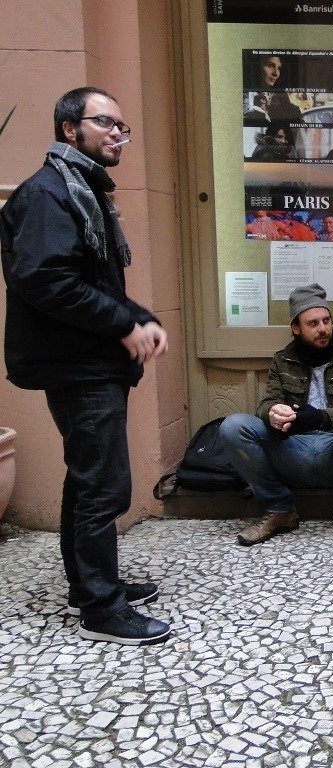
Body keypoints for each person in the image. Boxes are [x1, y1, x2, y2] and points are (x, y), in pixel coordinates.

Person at [0, 87, 170, 645]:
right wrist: (124, 324)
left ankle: (89, 586)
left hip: (87, 362)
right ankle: (102, 608)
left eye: (122, 125)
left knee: (87, 479)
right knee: (104, 488)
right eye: (104, 123)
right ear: (69, 129)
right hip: (77, 367)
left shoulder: (81, 189)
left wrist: (138, 317)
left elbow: (92, 281)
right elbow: (47, 281)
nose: (117, 133)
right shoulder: (48, 194)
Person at [220, 284, 333, 546]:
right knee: (233, 426)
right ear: (296, 328)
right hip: (292, 451)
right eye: (313, 323)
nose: (323, 328)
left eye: (326, 321)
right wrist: (273, 414)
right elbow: (267, 403)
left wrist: (323, 417)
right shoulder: (282, 360)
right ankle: (278, 507)